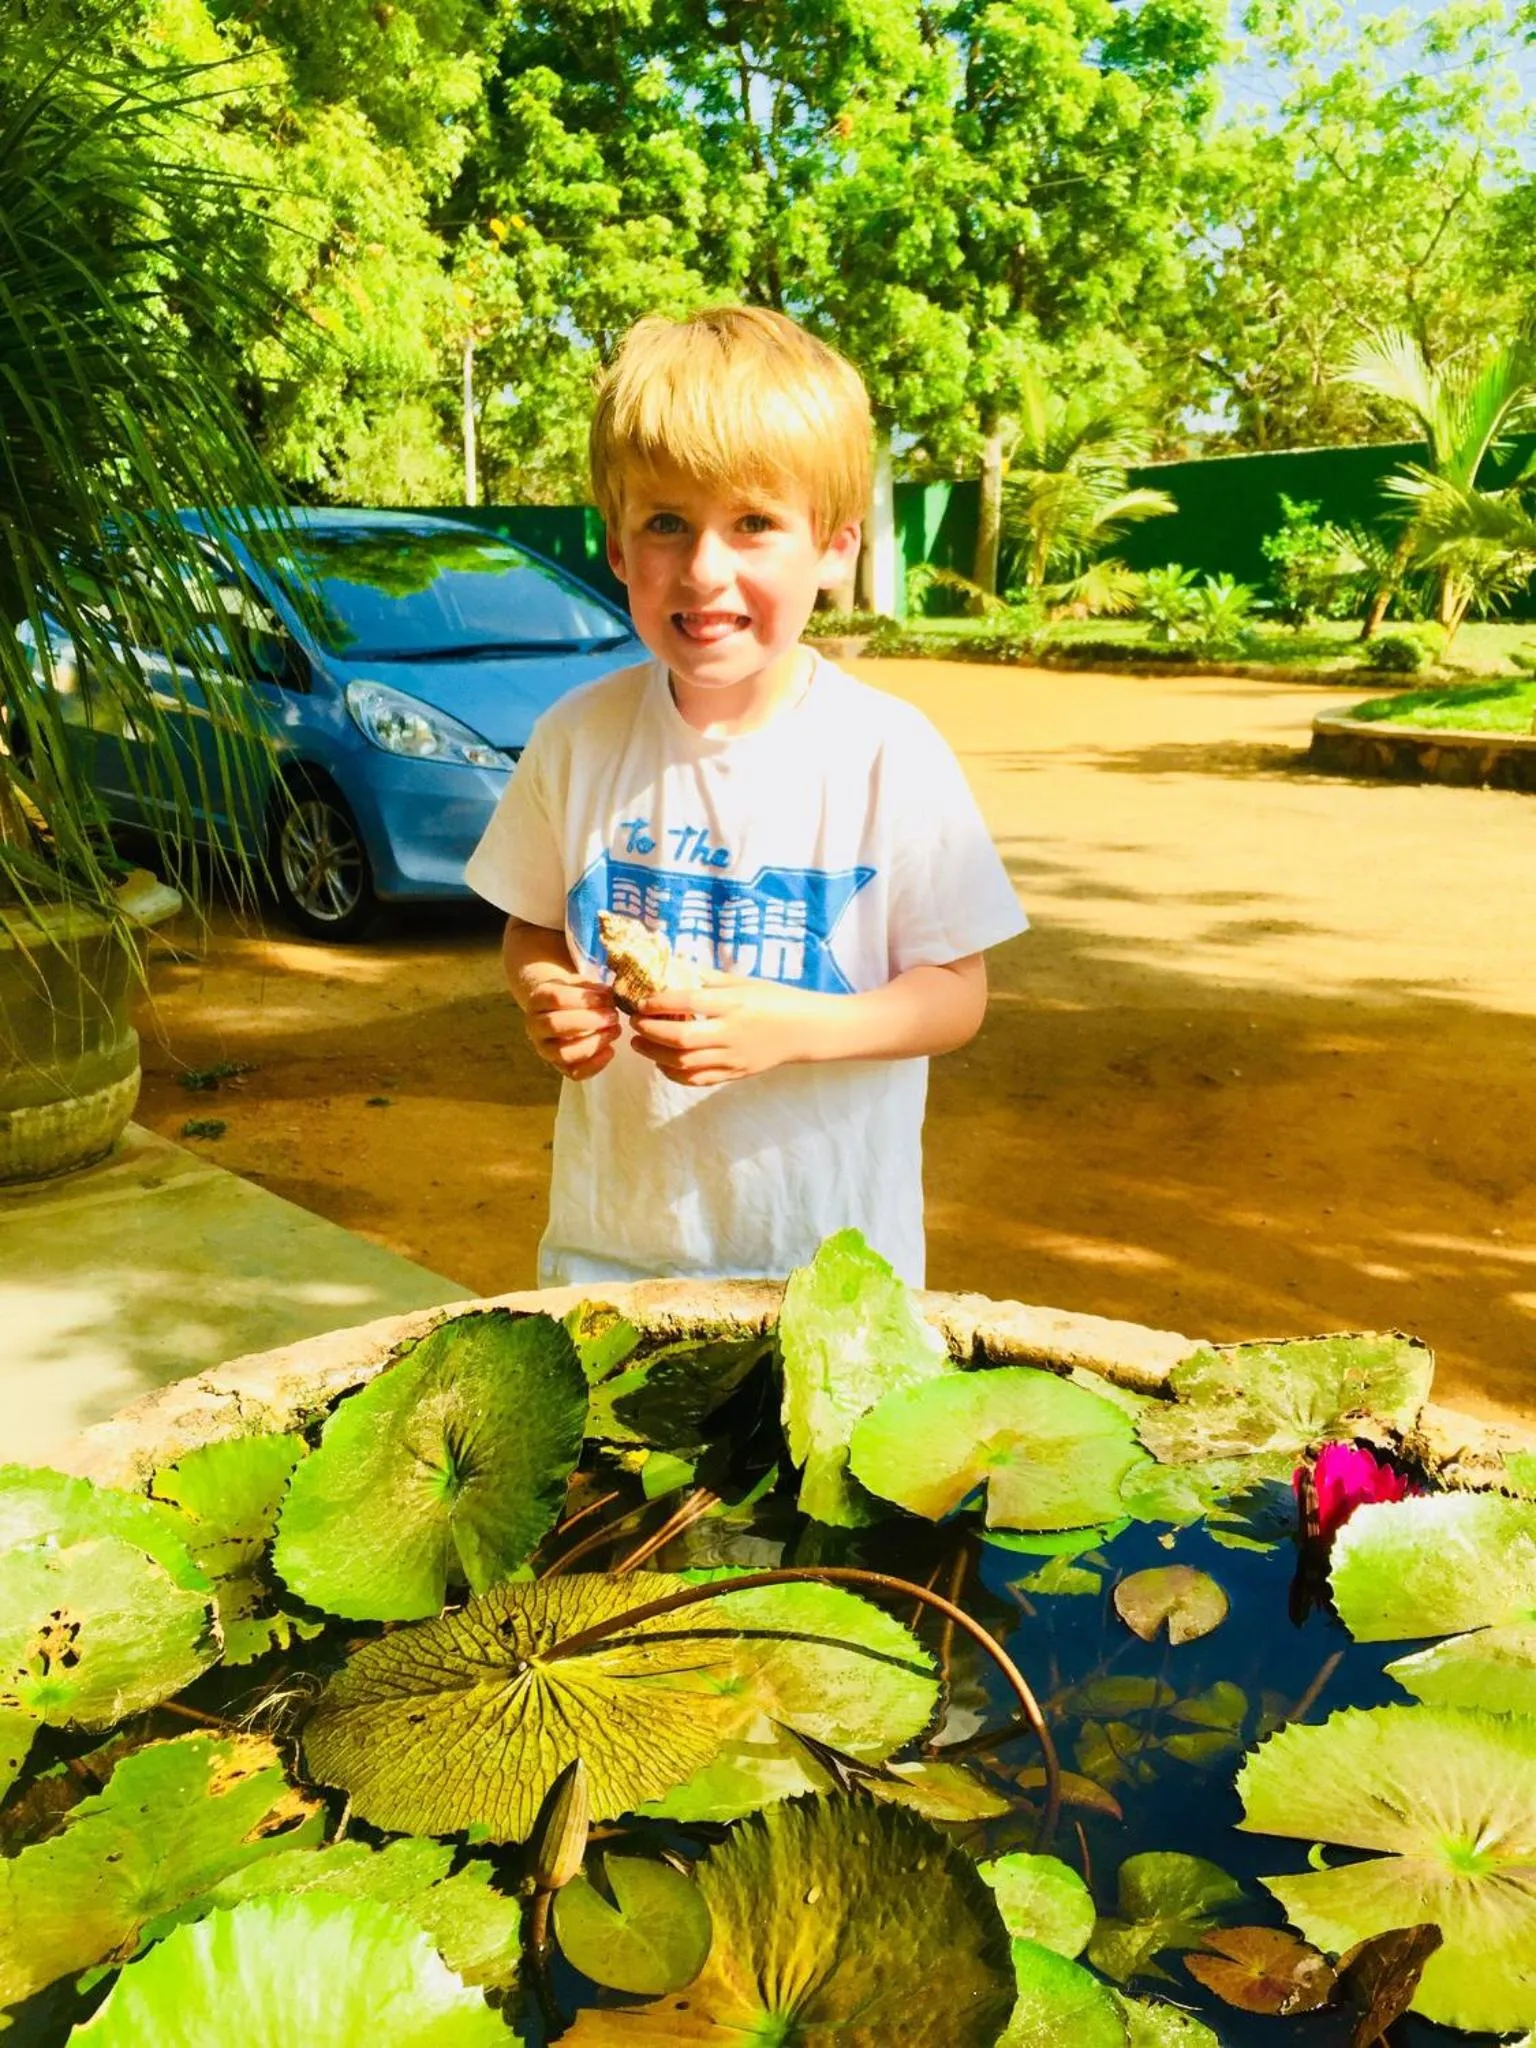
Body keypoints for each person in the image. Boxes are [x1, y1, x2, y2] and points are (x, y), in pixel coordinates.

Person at [466, 305, 1026, 1287]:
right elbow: (534, 925)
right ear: (615, 544)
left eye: (755, 523)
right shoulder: (576, 738)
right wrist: (544, 990)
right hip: (611, 1258)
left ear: (835, 545)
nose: (703, 569)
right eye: (666, 523)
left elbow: (955, 995)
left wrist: (792, 1025)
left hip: (826, 1273)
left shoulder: (888, 754)